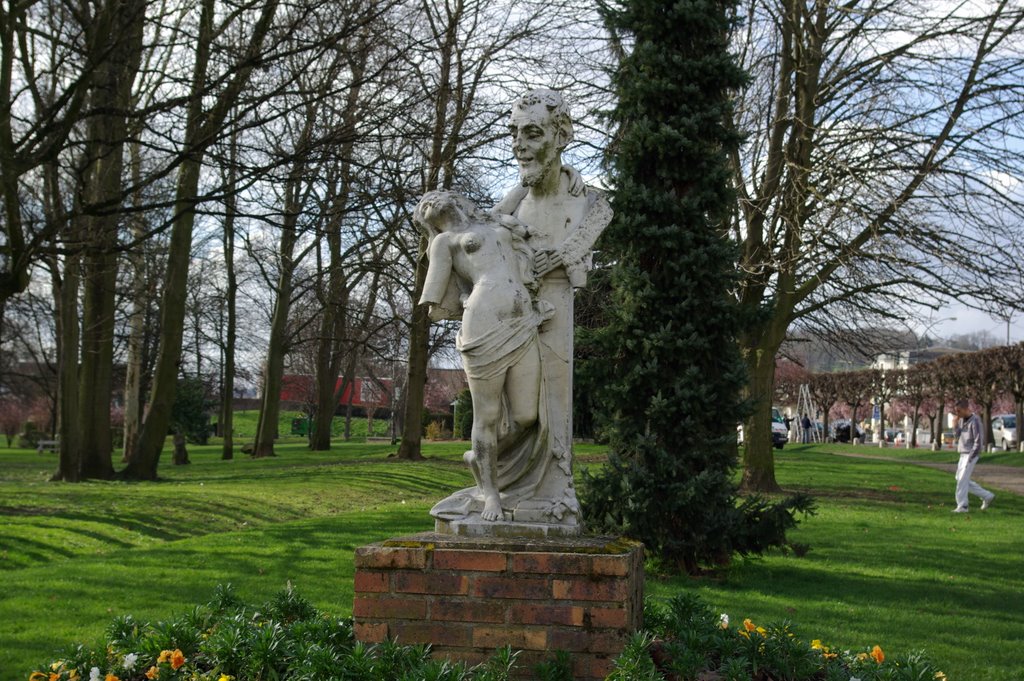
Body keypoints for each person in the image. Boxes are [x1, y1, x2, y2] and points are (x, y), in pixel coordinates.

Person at [491, 89, 613, 527]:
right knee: (511, 415)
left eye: (533, 133)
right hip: (508, 325)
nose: (519, 144)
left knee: (547, 408)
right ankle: (495, 488)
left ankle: (553, 492)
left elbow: (587, 233)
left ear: (561, 137)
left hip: (553, 320)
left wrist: (559, 256)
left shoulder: (591, 205)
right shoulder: (509, 203)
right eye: (514, 133)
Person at [415, 190, 553, 523]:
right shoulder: (444, 241)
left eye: (433, 197)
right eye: (423, 205)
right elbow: (433, 298)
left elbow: (524, 187)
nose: (428, 201)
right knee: (487, 415)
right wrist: (456, 299)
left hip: (521, 321)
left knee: (526, 418)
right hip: (483, 322)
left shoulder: (491, 221)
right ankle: (490, 493)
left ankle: (479, 457)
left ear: (453, 198)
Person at [951, 399, 995, 513]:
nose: (957, 413)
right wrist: (955, 425)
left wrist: (971, 457)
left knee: (961, 480)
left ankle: (963, 506)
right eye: (956, 411)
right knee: (960, 479)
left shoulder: (975, 421)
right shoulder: (961, 420)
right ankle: (987, 496)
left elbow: (978, 441)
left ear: (966, 409)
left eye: (959, 411)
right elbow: (957, 436)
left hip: (970, 454)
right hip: (962, 453)